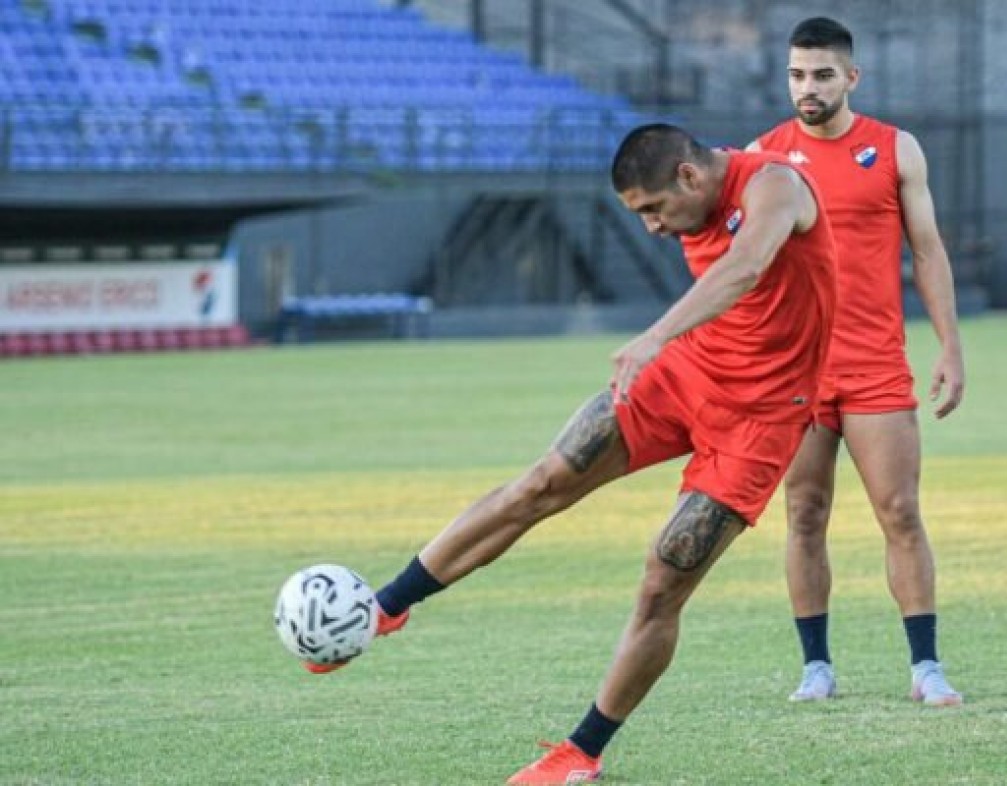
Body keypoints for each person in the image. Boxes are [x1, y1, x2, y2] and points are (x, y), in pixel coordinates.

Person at [304, 123, 839, 784]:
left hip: (759, 421)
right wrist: (665, 348)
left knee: (662, 578)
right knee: (542, 482)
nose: (652, 228)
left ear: (690, 179)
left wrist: (653, 335)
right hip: (685, 376)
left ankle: (581, 752)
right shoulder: (692, 198)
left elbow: (747, 264)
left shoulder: (776, 185)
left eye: (653, 211)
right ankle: (386, 607)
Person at [748, 16, 966, 706]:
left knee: (899, 511)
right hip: (797, 373)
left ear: (850, 77)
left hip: (875, 364)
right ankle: (816, 667)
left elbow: (927, 252)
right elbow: (742, 266)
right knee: (803, 512)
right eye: (796, 75)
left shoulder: (895, 149)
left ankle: (925, 667)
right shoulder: (764, 159)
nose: (806, 88)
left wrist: (951, 348)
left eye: (820, 75)